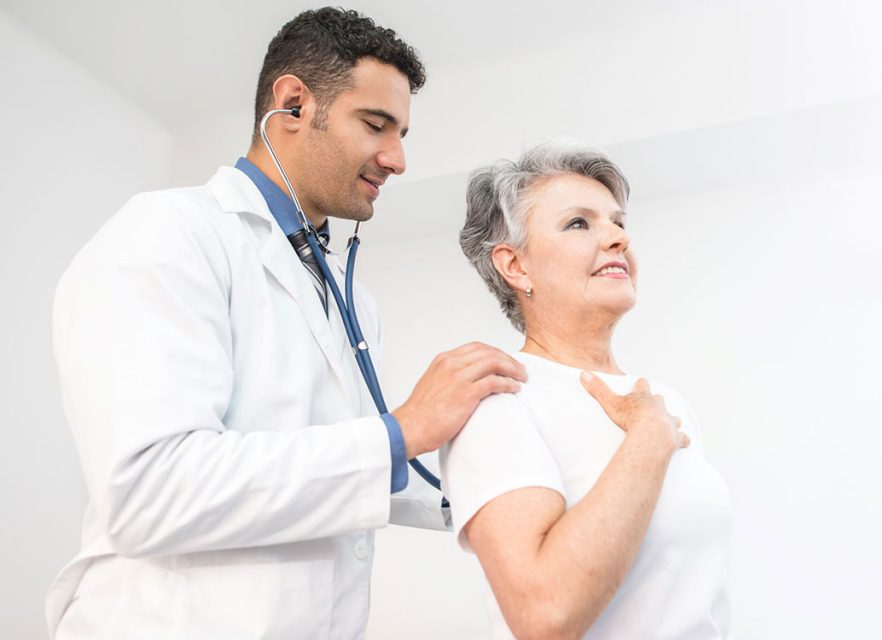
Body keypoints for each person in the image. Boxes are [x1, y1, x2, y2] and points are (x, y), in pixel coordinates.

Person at [45, 7, 526, 639]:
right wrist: (401, 431)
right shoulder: (168, 234)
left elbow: (339, 474)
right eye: (376, 125)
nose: (398, 158)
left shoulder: (345, 293)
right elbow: (147, 491)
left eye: (402, 132)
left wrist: (512, 483)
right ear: (293, 104)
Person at [442, 142, 734, 639]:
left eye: (618, 222)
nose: (617, 238)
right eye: (580, 223)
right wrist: (646, 438)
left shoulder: (666, 402)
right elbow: (545, 614)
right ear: (515, 265)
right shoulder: (498, 400)